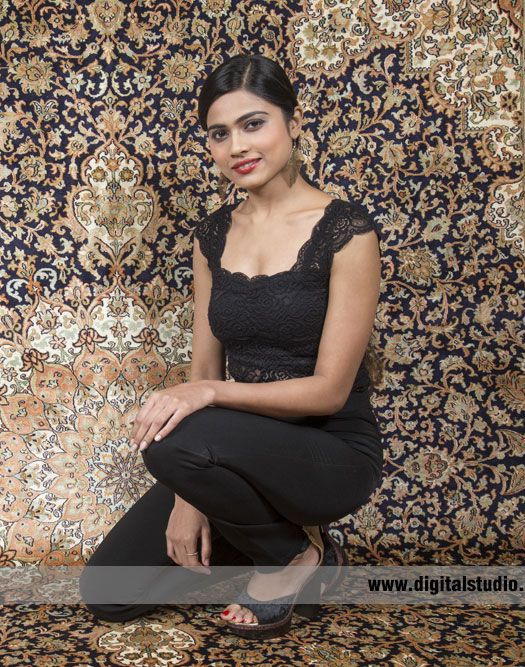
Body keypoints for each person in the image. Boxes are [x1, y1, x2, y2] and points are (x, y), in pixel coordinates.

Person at [79, 54, 384, 640]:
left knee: (178, 426)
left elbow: (328, 391)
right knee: (107, 595)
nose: (237, 146)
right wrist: (190, 496)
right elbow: (202, 366)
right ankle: (297, 552)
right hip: (231, 453)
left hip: (330, 452)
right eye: (220, 134)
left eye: (254, 123)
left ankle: (292, 557)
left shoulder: (348, 230)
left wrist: (209, 395)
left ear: (292, 124)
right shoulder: (213, 237)